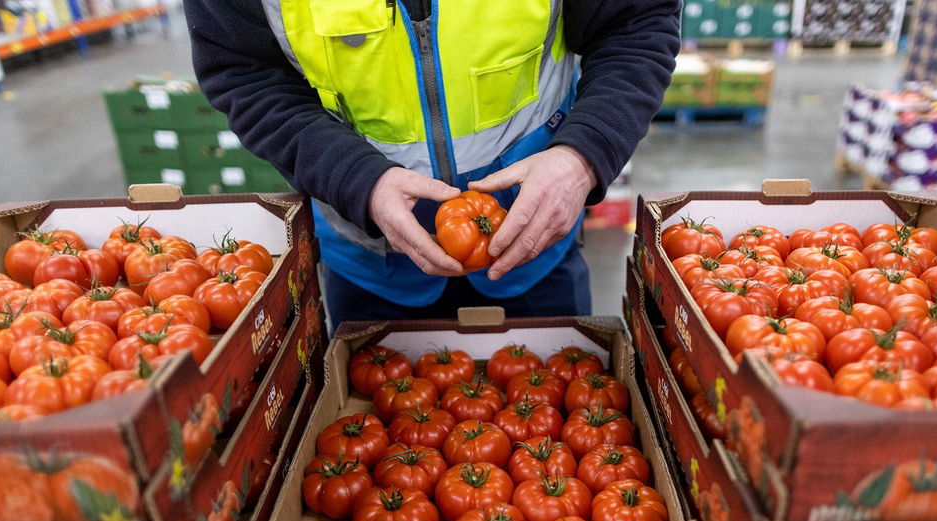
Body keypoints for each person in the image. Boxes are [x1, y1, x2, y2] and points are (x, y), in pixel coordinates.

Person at [183, 0, 680, 324]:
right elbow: (244, 73)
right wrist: (356, 179)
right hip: (370, 263)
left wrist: (581, 156)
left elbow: (636, 23)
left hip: (535, 245)